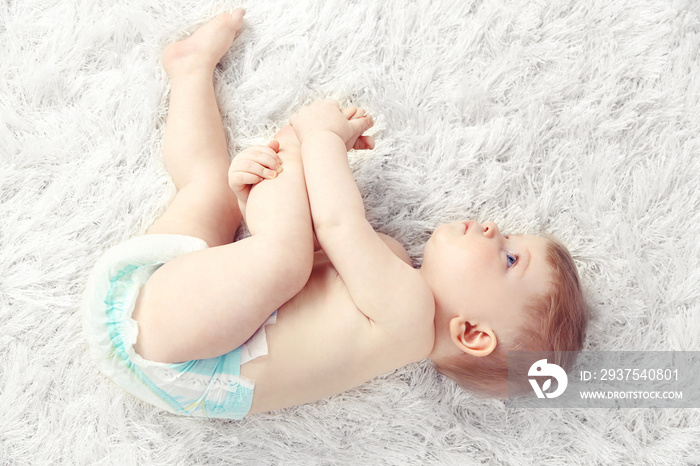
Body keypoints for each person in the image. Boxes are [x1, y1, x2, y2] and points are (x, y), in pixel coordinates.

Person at [82, 9, 588, 419]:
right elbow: (290, 248)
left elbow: (335, 222)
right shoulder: (387, 269)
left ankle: (281, 143)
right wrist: (252, 195)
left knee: (284, 258)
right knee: (210, 190)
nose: (493, 229)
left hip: (188, 352)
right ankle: (189, 70)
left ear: (472, 333)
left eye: (507, 259)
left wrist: (322, 139)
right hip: (182, 329)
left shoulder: (411, 316)